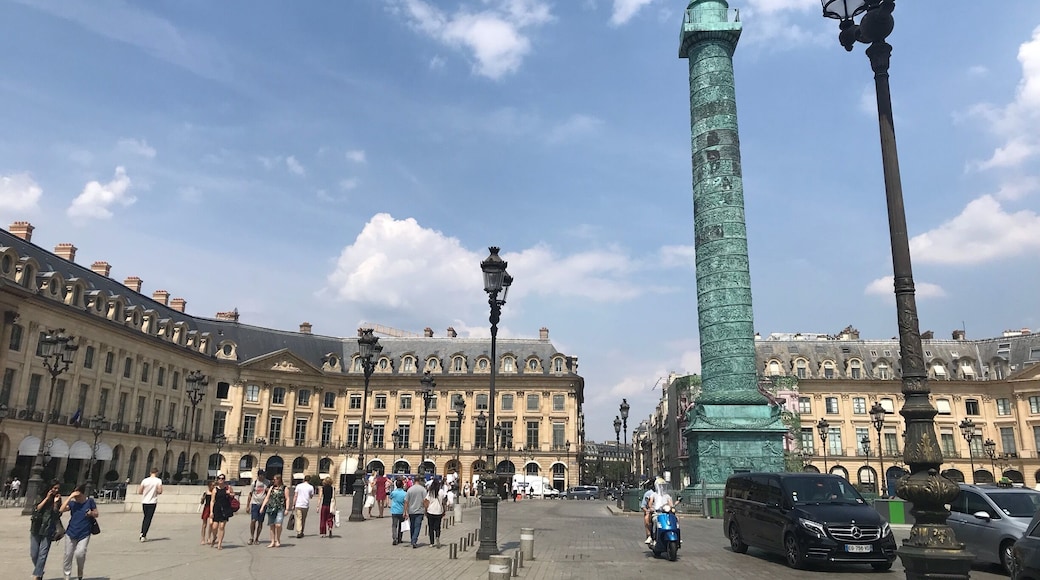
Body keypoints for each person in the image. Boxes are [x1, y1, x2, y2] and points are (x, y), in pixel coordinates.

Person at [60, 483, 98, 580]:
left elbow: (96, 513)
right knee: (68, 554)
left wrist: (91, 513)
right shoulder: (73, 503)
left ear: (82, 494)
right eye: (75, 496)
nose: (76, 498)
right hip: (71, 532)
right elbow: (61, 509)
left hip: (84, 533)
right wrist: (70, 497)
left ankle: (80, 573)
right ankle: (67, 575)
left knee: (80, 553)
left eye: (77, 496)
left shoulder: (90, 502)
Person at [29, 479, 62, 580]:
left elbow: (58, 514)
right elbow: (37, 509)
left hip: (48, 529)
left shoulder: (58, 499)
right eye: (54, 488)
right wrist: (47, 498)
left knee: (43, 554)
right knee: (34, 554)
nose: (56, 490)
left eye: (58, 489)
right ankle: (40, 571)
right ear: (50, 488)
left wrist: (56, 504)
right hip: (36, 527)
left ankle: (37, 576)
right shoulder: (41, 496)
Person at [259, 474, 288, 548]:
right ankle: (272, 541)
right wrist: (262, 507)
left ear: (279, 479)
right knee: (272, 525)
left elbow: (287, 498)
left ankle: (277, 539)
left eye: (275, 479)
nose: (273, 481)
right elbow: (267, 498)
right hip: (271, 508)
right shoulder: (271, 488)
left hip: (280, 508)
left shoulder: (284, 488)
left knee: (278, 525)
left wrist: (287, 509)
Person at [208, 474, 234, 549]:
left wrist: (230, 493)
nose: (221, 480)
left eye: (222, 478)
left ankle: (220, 543)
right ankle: (214, 537)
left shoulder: (228, 488)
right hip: (217, 509)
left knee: (222, 526)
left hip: (225, 509)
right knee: (214, 527)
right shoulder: (215, 489)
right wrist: (211, 512)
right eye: (219, 478)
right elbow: (212, 501)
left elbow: (233, 495)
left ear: (224, 480)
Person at [137, 467, 162, 542]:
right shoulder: (158, 481)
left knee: (145, 517)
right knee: (148, 518)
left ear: (150, 473)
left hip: (144, 501)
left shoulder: (145, 480)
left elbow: (140, 491)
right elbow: (160, 491)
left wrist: (146, 492)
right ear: (156, 473)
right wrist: (155, 491)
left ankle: (142, 532)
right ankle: (143, 535)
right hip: (152, 502)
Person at [425, 478, 448, 548]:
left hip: (430, 511)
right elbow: (444, 502)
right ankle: (437, 537)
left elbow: (426, 501)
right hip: (438, 511)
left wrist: (425, 510)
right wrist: (444, 510)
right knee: (437, 527)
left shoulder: (430, 492)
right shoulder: (441, 491)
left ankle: (431, 542)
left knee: (431, 527)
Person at [247, 469, 269, 545]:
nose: (263, 476)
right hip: (255, 503)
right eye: (262, 475)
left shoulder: (267, 482)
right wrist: (248, 506)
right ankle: (251, 537)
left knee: (260, 522)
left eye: (264, 475)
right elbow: (250, 494)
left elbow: (269, 493)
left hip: (263, 504)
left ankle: (257, 538)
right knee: (253, 520)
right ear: (259, 475)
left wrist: (268, 490)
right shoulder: (254, 483)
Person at [405, 475, 426, 548]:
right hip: (419, 511)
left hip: (411, 511)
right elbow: (424, 501)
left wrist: (405, 511)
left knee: (412, 526)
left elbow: (406, 501)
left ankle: (412, 539)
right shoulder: (423, 489)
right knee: (417, 526)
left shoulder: (410, 489)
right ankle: (414, 540)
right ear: (419, 480)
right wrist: (426, 509)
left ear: (414, 480)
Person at [389, 477, 407, 545]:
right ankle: (400, 538)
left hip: (394, 510)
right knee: (401, 525)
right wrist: (405, 511)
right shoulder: (405, 493)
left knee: (394, 525)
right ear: (402, 485)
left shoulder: (394, 492)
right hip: (401, 511)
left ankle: (394, 538)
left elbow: (390, 497)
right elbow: (406, 503)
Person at [199, 480, 215, 545]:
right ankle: (203, 538)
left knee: (211, 524)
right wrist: (202, 498)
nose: (213, 487)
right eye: (212, 485)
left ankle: (209, 538)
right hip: (207, 508)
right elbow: (202, 502)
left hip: (213, 508)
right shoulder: (206, 492)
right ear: (209, 486)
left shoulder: (215, 492)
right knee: (204, 524)